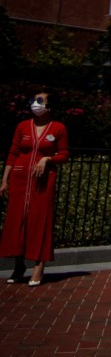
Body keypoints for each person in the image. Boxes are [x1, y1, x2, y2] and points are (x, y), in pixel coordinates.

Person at [0, 91, 70, 286]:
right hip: (20, 178)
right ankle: (18, 264)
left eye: (40, 101)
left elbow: (64, 154)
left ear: (49, 106)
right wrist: (5, 180)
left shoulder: (58, 128)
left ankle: (39, 265)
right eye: (33, 101)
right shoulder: (23, 126)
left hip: (43, 180)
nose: (35, 104)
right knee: (17, 219)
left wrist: (48, 159)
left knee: (40, 219)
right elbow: (13, 153)